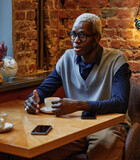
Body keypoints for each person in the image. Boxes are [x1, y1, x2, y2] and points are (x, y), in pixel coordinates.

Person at [24, 13, 131, 160]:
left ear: (97, 38)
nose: (76, 40)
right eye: (73, 34)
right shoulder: (67, 58)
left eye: (82, 35)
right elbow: (43, 89)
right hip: (75, 126)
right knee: (39, 150)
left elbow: (120, 104)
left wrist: (79, 105)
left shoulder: (117, 60)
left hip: (107, 126)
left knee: (103, 149)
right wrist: (32, 99)